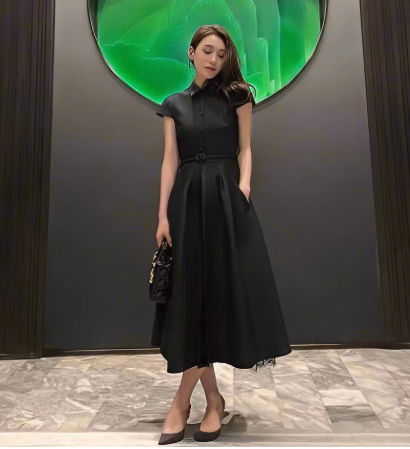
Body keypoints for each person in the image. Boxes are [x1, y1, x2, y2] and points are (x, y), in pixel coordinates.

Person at [152, 25, 292, 445]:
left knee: (215, 298)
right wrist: (162, 216)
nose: (214, 59)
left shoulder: (238, 97)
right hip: (186, 203)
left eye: (221, 53)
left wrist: (243, 188)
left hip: (227, 202)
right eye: (207, 51)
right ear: (191, 52)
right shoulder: (173, 105)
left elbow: (245, 148)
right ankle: (212, 400)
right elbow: (170, 161)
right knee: (192, 300)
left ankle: (181, 402)